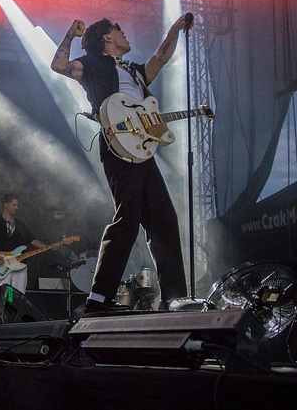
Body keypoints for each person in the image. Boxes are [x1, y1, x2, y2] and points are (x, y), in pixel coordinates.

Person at [51, 16, 192, 313]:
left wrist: (175, 29)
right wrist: (70, 35)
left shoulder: (134, 71)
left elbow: (161, 58)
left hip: (142, 147)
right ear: (106, 37)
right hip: (118, 143)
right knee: (128, 218)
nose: (124, 32)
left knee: (164, 219)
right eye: (118, 29)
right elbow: (59, 66)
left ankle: (173, 297)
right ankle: (98, 299)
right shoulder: (92, 64)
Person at [0, 193, 49, 294]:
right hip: (2, 265)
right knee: (3, 293)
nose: (16, 208)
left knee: (17, 294)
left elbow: (33, 240)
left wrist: (49, 247)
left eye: (17, 205)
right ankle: (6, 304)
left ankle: (15, 304)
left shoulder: (20, 224)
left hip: (20, 265)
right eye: (14, 205)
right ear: (5, 205)